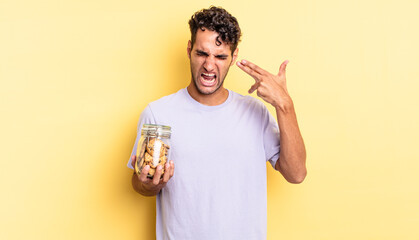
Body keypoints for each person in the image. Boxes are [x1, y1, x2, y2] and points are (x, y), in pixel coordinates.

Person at [127, 6, 306, 240]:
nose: (210, 66)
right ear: (189, 50)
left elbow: (296, 174)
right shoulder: (159, 114)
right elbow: (140, 183)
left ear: (233, 57)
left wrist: (285, 105)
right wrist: (149, 184)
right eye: (202, 53)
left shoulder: (255, 112)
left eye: (220, 57)